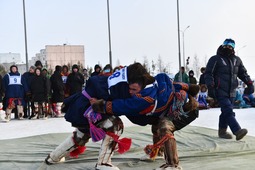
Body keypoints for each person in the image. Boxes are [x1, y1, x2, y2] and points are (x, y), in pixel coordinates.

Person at [91, 63, 200, 169]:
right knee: (156, 124)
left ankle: (173, 165)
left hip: (186, 110)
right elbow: (175, 84)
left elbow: (126, 105)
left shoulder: (147, 97)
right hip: (168, 108)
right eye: (129, 88)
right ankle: (159, 152)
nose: (130, 92)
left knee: (164, 126)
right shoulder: (157, 80)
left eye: (134, 89)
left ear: (142, 85)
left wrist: (102, 106)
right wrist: (191, 88)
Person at [204, 38, 254, 140]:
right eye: (226, 45)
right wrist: (211, 87)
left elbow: (243, 74)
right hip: (219, 90)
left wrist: (250, 84)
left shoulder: (237, 60)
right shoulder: (215, 59)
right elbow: (208, 74)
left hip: (231, 91)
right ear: (222, 45)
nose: (228, 47)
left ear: (233, 48)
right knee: (228, 111)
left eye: (231, 45)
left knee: (225, 112)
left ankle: (222, 132)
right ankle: (237, 131)